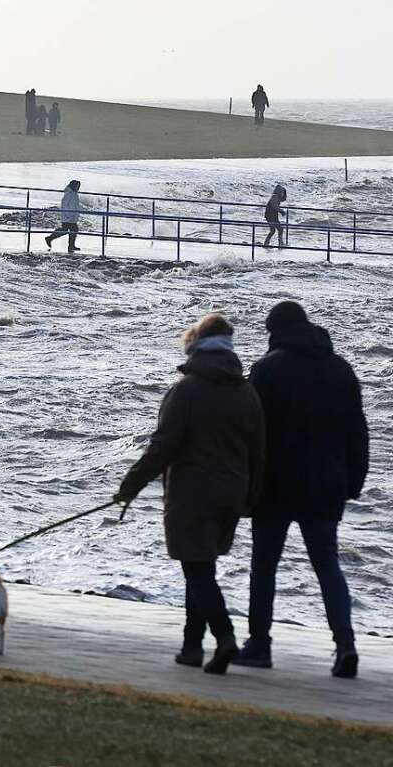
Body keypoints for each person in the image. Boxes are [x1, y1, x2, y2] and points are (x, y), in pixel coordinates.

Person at [116, 314, 265, 675]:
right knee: (201, 566)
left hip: (192, 493)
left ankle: (224, 637)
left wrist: (130, 485)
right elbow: (259, 450)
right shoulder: (246, 392)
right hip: (232, 492)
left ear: (195, 345)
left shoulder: (186, 391)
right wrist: (252, 496)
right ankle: (191, 647)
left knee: (197, 570)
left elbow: (162, 447)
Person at [234, 302, 369, 679]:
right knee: (327, 565)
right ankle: (345, 645)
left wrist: (245, 483)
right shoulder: (341, 369)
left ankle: (259, 645)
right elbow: (357, 432)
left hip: (275, 484)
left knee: (264, 566)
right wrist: (353, 481)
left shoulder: (268, 368)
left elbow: (252, 431)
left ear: (275, 330)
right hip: (326, 484)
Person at [44, 179, 83, 252]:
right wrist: (68, 215)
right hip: (68, 216)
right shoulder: (68, 194)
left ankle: (71, 245)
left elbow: (75, 205)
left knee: (72, 230)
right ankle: (50, 238)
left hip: (72, 216)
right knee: (66, 230)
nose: (78, 188)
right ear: (73, 186)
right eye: (77, 186)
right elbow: (64, 205)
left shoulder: (74, 193)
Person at [263, 184, 286, 248]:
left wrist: (285, 192)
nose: (282, 193)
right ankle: (280, 244)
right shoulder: (275, 197)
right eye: (281, 191)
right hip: (271, 216)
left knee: (274, 230)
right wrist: (281, 211)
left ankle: (267, 243)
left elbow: (283, 199)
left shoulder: (276, 197)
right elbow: (274, 206)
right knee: (278, 229)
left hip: (272, 215)